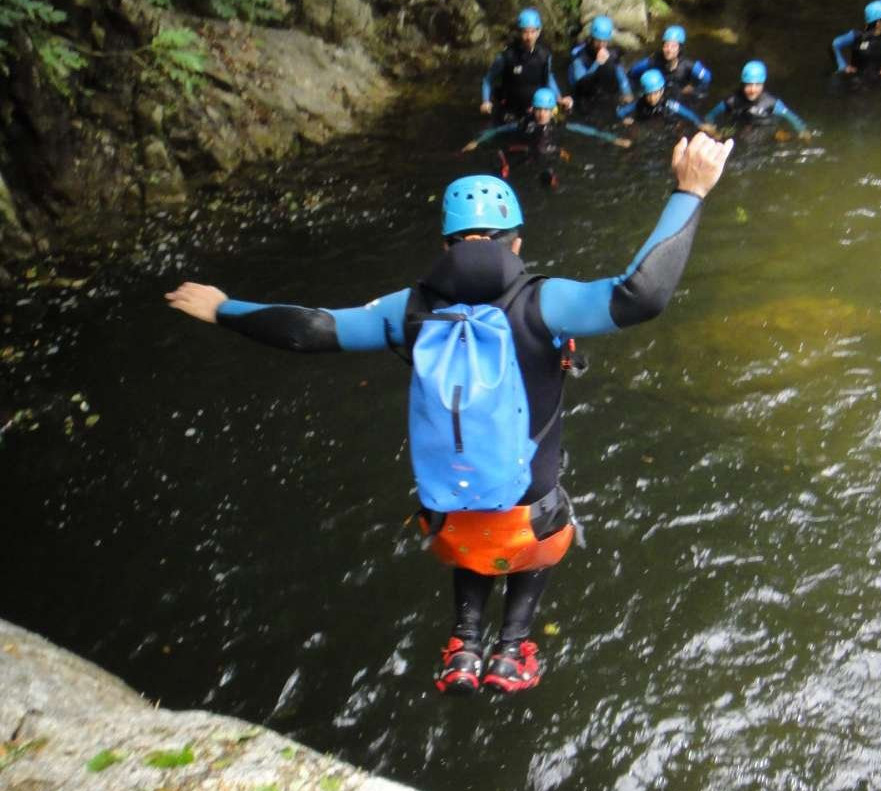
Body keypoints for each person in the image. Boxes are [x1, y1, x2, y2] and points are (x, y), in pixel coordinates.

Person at [165, 132, 734, 695]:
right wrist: (690, 191)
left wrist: (223, 308)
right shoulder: (544, 301)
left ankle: (463, 643)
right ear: (515, 244)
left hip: (449, 515)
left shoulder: (409, 309)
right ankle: (512, 650)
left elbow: (312, 330)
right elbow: (641, 296)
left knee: (469, 503)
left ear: (446, 244)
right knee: (541, 514)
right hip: (530, 513)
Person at [464, 87, 631, 187]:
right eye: (538, 109)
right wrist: (476, 141)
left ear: (552, 111)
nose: (541, 114)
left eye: (545, 110)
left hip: (551, 153)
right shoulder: (525, 123)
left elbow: (588, 131)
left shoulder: (558, 125)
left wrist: (614, 139)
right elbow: (499, 130)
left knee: (560, 172)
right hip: (526, 153)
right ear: (533, 109)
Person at [481, 8, 572, 123]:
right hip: (511, 109)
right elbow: (488, 80)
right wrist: (485, 101)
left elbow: (548, 78)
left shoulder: (544, 56)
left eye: (533, 32)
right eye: (525, 32)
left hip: (537, 110)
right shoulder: (507, 57)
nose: (529, 37)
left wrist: (559, 98)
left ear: (539, 32)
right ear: (519, 33)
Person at [703, 60, 810, 140]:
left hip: (767, 129)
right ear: (743, 84)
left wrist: (803, 131)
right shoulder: (732, 101)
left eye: (757, 85)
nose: (753, 90)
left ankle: (778, 133)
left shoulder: (771, 103)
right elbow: (710, 116)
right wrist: (713, 131)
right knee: (721, 136)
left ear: (763, 84)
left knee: (786, 138)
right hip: (738, 129)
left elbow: (792, 117)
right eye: (749, 85)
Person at [568, 15, 634, 112]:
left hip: (600, 88)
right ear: (592, 38)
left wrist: (626, 92)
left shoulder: (611, 53)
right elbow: (580, 84)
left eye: (604, 41)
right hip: (582, 90)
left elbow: (620, 73)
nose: (601, 45)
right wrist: (597, 63)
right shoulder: (580, 56)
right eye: (598, 41)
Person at [628, 25, 712, 100]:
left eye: (673, 46)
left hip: (678, 98)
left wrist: (693, 88)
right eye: (666, 46)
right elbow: (632, 73)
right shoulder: (653, 61)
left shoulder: (688, 65)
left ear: (679, 49)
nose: (669, 50)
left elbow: (706, 78)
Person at [831, 0, 881, 80]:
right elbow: (835, 44)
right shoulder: (857, 36)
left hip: (878, 79)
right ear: (878, 23)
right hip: (854, 79)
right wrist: (842, 66)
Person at [617, 69, 706, 130]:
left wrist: (701, 124)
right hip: (646, 119)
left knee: (678, 126)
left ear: (662, 91)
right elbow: (620, 113)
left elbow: (688, 114)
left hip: (664, 119)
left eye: (655, 93)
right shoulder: (639, 103)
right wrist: (624, 120)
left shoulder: (668, 103)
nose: (652, 98)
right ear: (644, 93)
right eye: (649, 94)